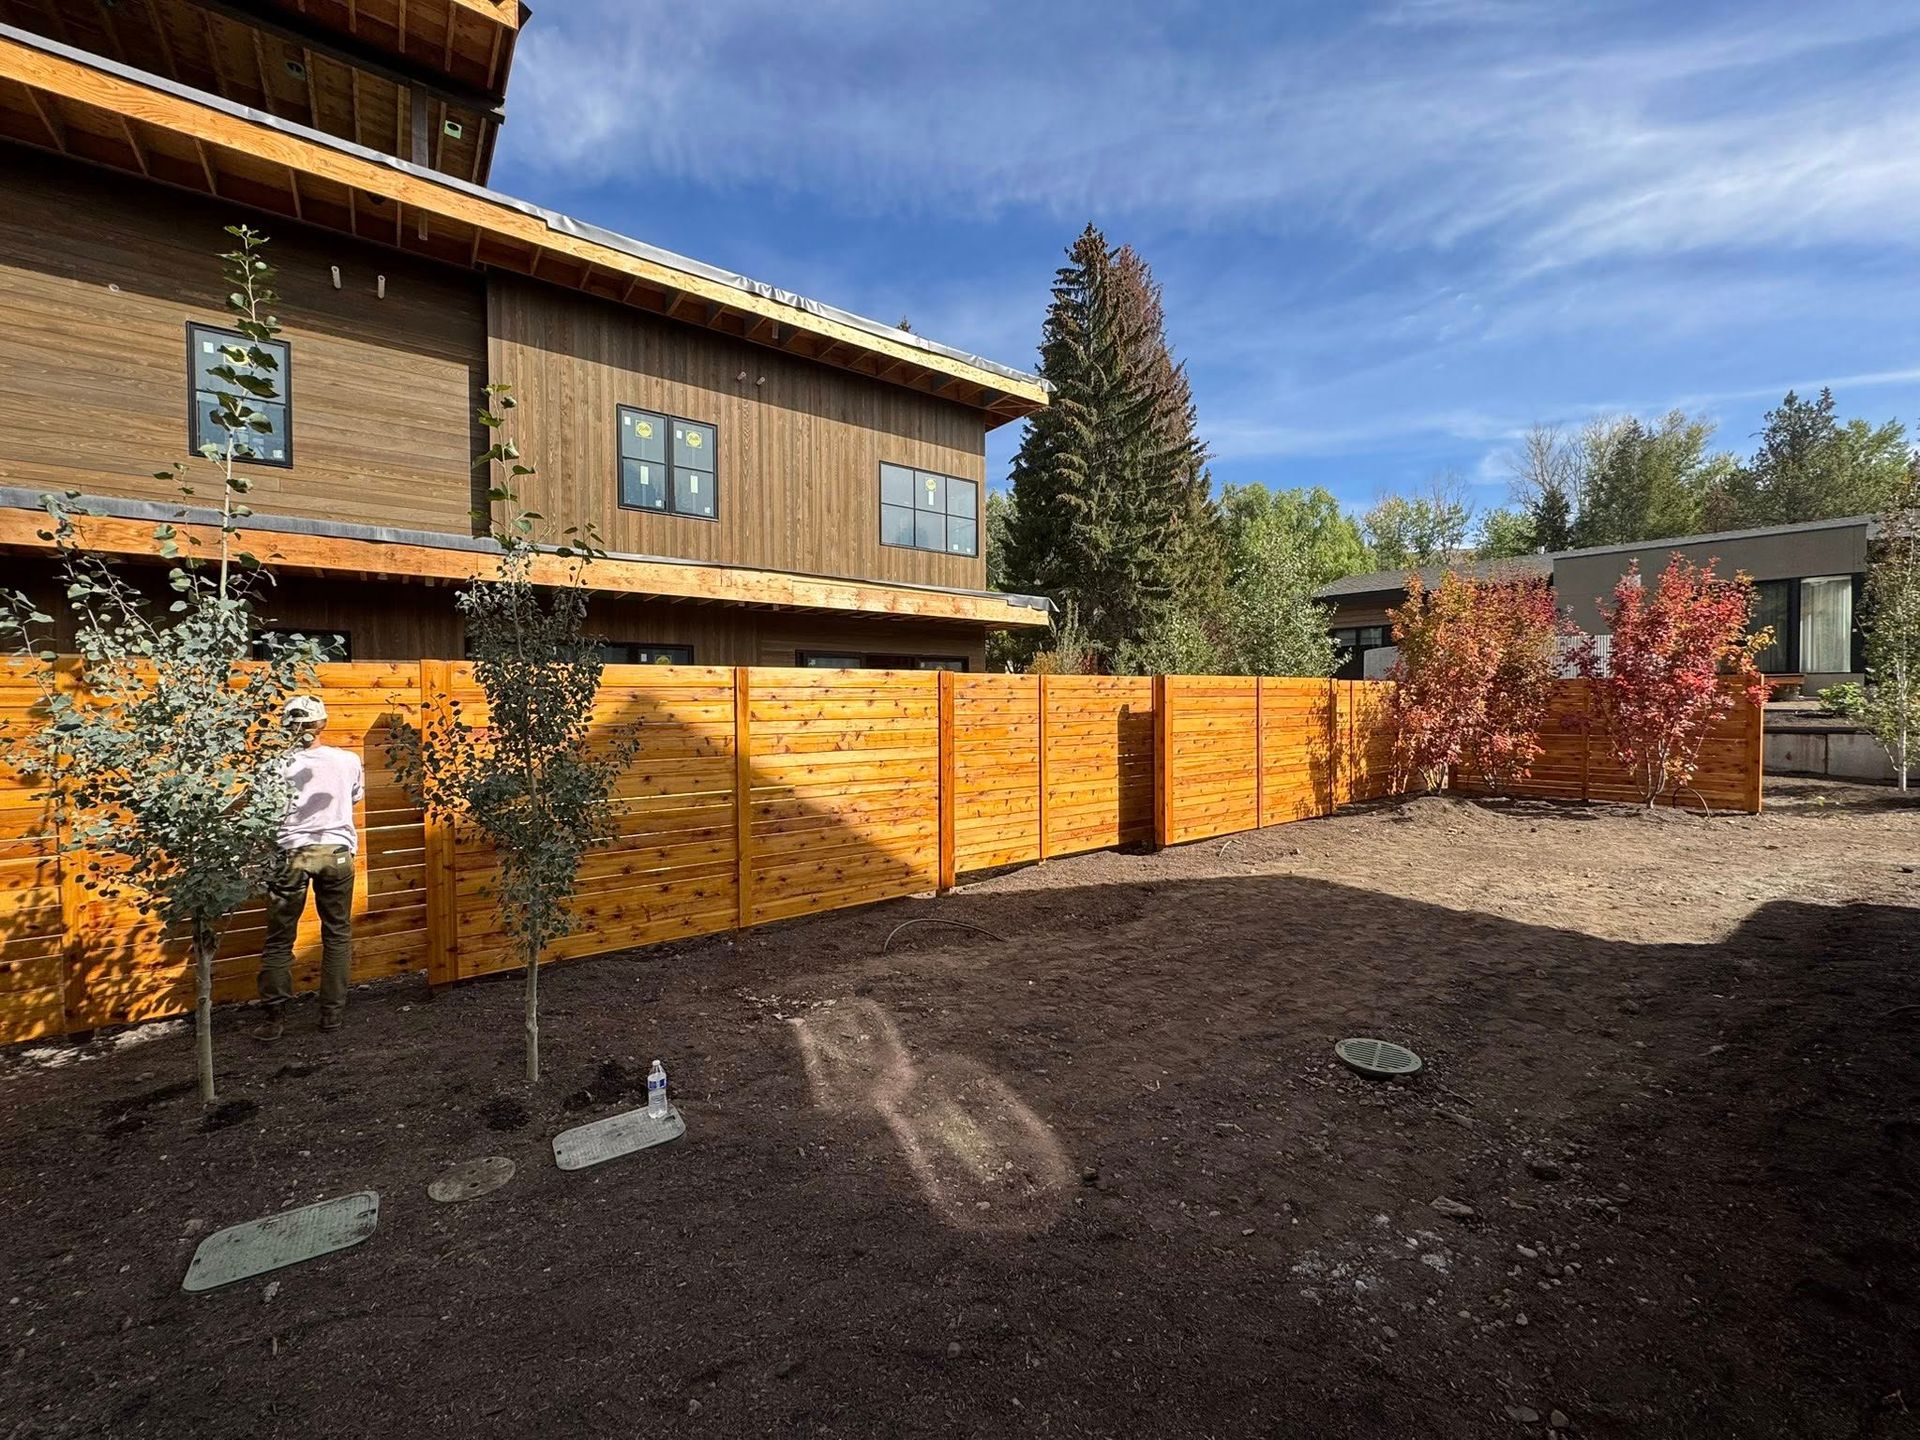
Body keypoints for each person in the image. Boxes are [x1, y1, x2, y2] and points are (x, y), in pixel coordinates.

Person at [254, 695, 364, 1040]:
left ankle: (274, 1020)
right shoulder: (348, 760)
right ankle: (331, 1016)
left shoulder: (273, 765)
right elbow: (355, 797)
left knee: (279, 939)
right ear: (323, 723)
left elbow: (262, 811)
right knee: (337, 934)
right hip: (336, 852)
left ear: (288, 726)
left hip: (291, 853)